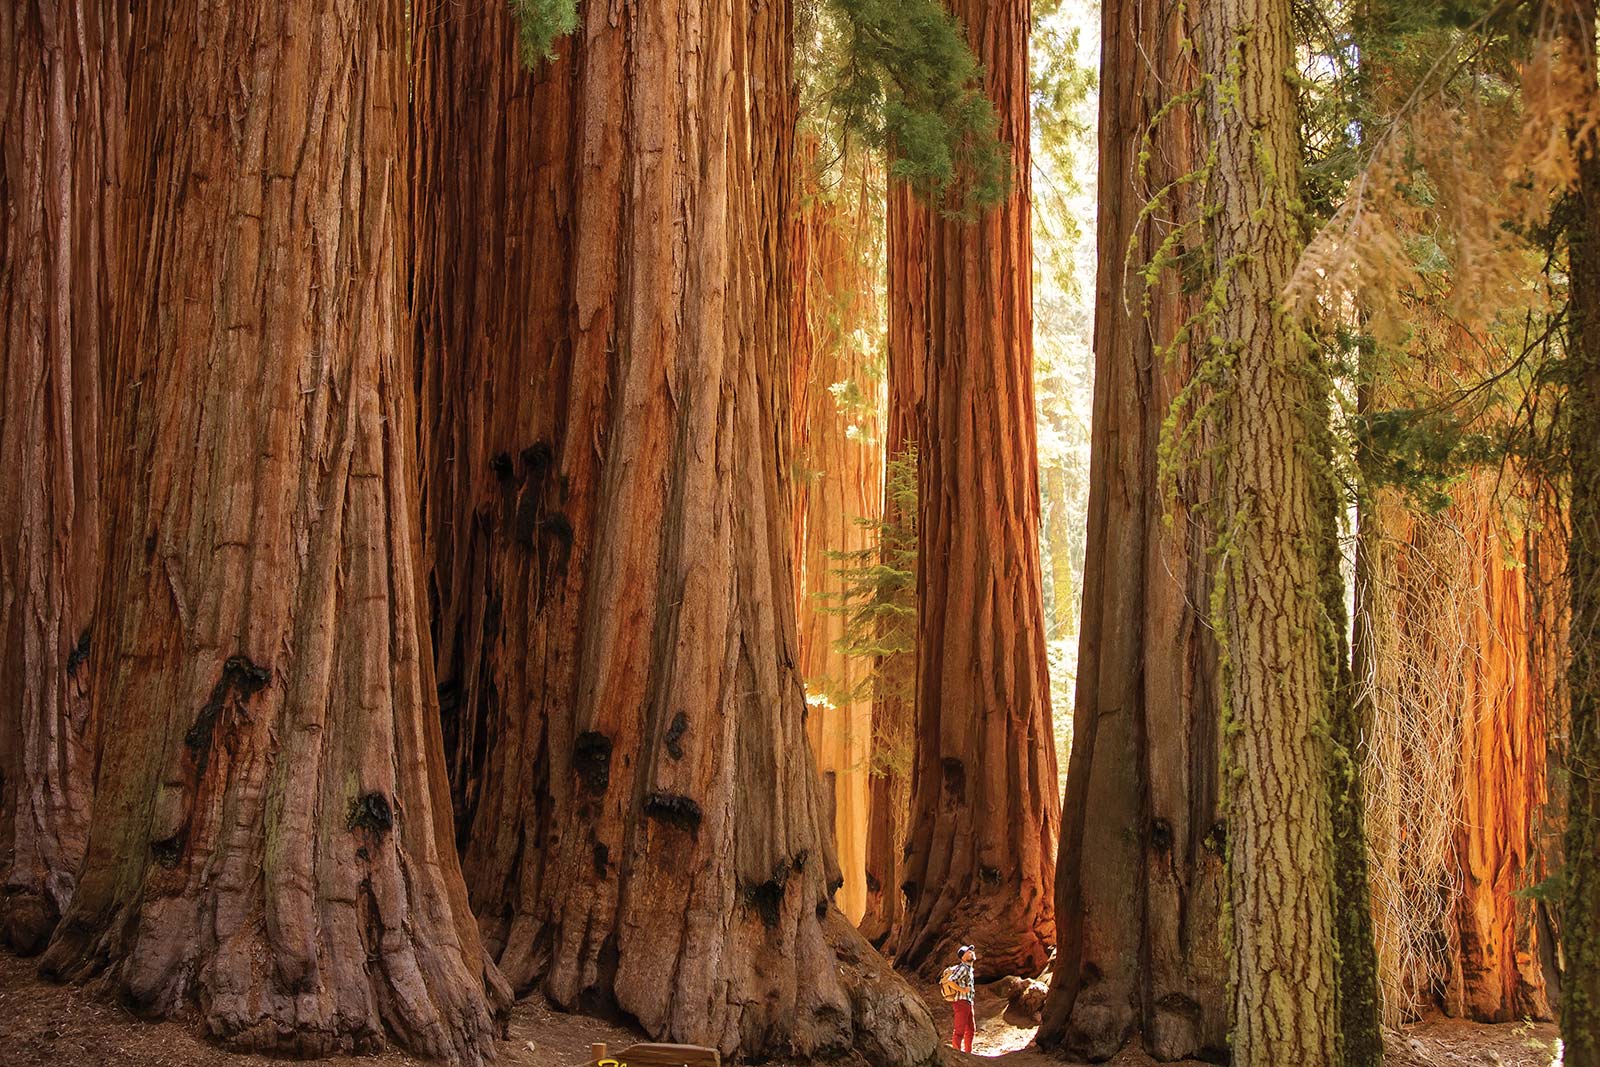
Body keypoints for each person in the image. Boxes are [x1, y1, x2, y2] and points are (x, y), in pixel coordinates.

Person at [950, 944, 976, 1053]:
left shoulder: (969, 969)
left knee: (971, 1029)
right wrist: (962, 989)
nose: (971, 953)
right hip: (961, 1002)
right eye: (968, 952)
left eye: (971, 951)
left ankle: (968, 1054)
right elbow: (951, 980)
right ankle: (957, 1053)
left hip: (968, 1003)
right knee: (959, 1030)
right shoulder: (962, 968)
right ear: (963, 957)